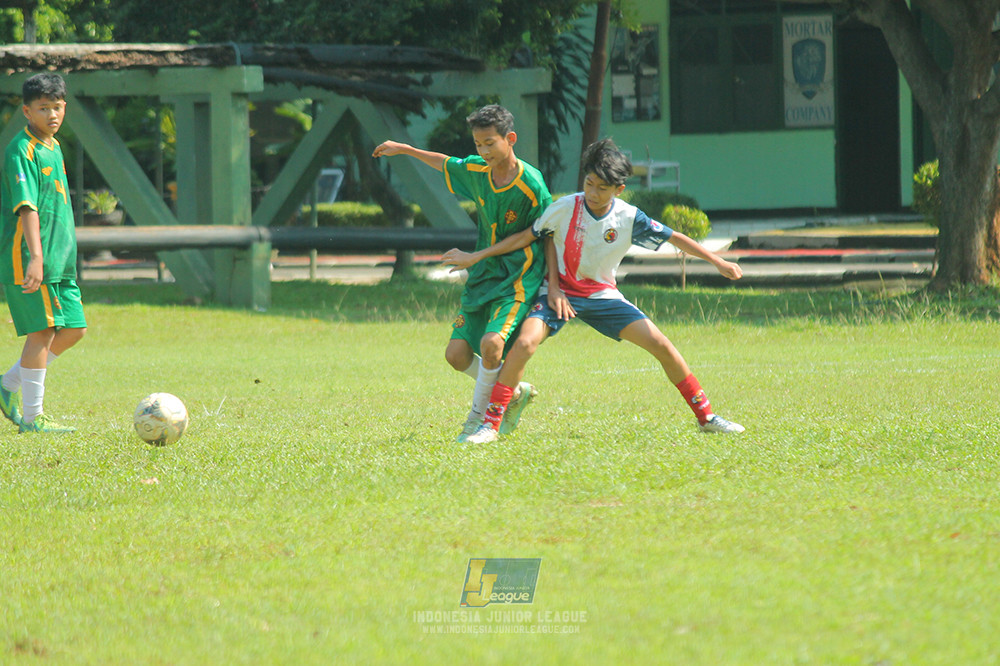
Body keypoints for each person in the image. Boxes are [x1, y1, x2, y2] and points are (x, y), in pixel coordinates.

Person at [442, 138, 745, 443]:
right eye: (589, 184)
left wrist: (718, 261)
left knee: (662, 345)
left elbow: (674, 237)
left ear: (619, 189)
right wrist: (554, 287)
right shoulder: (565, 207)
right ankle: (490, 426)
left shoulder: (629, 218)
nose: (593, 193)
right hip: (555, 295)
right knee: (523, 345)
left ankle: (706, 417)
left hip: (601, 295)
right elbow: (534, 236)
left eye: (602, 188)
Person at [372, 105, 551, 441]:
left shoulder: (531, 185)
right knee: (455, 356)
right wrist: (406, 150)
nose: (483, 152)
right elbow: (445, 163)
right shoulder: (479, 170)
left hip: (517, 278)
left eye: (489, 143)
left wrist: (551, 285)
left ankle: (478, 423)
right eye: (478, 144)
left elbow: (539, 234)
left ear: (510, 139)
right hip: (482, 275)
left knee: (491, 345)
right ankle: (511, 392)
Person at [0, 73, 86, 433]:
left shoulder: (54, 145)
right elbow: (27, 208)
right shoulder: (23, 149)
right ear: (26, 111)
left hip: (60, 258)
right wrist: (36, 257)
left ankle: (7, 385)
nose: (52, 114)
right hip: (31, 257)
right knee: (43, 332)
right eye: (43, 108)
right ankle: (33, 419)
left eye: (57, 107)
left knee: (75, 330)